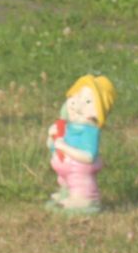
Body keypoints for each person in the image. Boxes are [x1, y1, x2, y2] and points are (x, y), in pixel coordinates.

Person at [46, 74, 115, 214]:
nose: (75, 103)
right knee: (66, 180)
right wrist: (51, 137)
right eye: (76, 96)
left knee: (79, 182)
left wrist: (64, 147)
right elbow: (52, 145)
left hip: (79, 171)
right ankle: (66, 192)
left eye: (87, 101)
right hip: (65, 169)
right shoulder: (67, 126)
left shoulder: (89, 131)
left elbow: (88, 157)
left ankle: (84, 199)